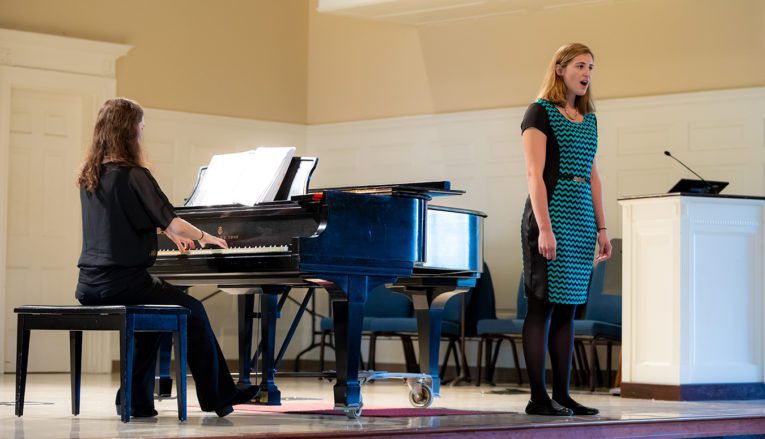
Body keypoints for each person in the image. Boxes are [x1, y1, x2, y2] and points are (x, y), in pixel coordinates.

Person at [75, 97, 257, 418]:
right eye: (141, 126)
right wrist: (205, 237)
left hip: (90, 284)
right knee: (192, 310)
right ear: (130, 131)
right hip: (124, 283)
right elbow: (172, 220)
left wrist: (169, 233)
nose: (143, 132)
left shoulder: (92, 176)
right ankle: (220, 395)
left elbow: (122, 221)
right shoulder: (134, 174)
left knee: (157, 316)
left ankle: (135, 400)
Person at [520, 43, 612, 416]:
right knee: (541, 307)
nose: (587, 72)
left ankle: (563, 394)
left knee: (568, 310)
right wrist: (544, 228)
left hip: (580, 220)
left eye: (591, 66)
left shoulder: (589, 119)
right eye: (579, 65)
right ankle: (538, 398)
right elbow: (534, 174)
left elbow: (592, 176)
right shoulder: (539, 112)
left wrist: (602, 228)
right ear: (559, 69)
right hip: (549, 216)